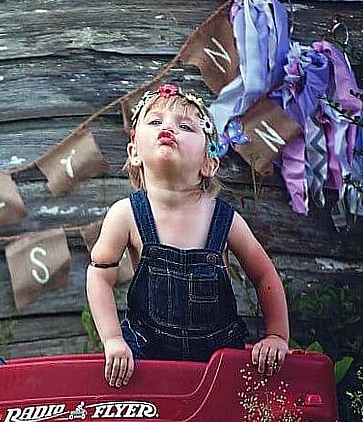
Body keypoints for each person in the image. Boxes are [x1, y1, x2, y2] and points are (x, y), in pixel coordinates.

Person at [86, 83, 290, 387]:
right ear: (134, 153)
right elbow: (100, 276)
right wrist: (114, 339)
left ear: (209, 163)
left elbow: (263, 274)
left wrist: (276, 336)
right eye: (155, 122)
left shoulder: (223, 218)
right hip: (146, 352)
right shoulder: (125, 215)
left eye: (185, 126)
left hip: (217, 356)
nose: (169, 129)